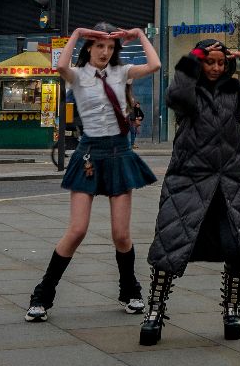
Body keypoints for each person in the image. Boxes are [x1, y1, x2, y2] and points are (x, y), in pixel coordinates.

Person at [23, 25, 161, 323]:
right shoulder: (78, 75)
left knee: (121, 234)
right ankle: (42, 296)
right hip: (89, 154)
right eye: (99, 46)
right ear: (88, 47)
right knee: (77, 230)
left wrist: (138, 35)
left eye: (109, 47)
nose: (104, 52)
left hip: (119, 153)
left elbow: (155, 64)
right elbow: (60, 64)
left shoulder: (121, 72)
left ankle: (131, 291)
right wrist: (78, 32)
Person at [143, 39, 240, 344]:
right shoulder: (189, 93)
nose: (216, 68)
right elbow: (175, 95)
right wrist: (192, 58)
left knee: (238, 248)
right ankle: (154, 313)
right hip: (188, 182)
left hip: (230, 183)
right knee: (169, 247)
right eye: (209, 62)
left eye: (220, 62)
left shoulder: (235, 93)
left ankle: (231, 309)